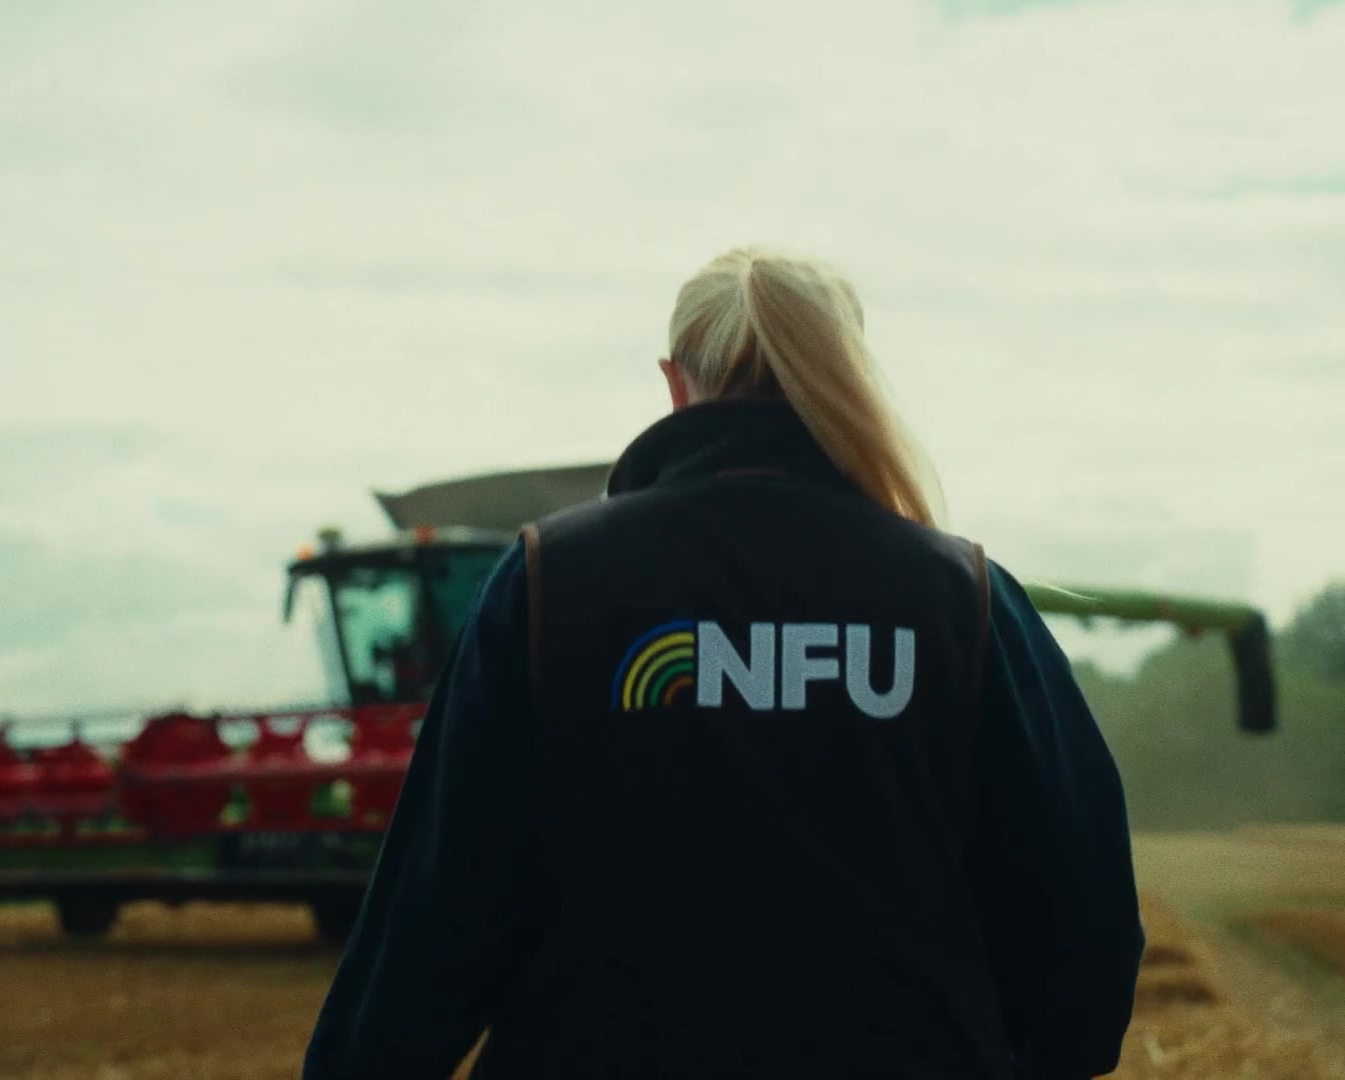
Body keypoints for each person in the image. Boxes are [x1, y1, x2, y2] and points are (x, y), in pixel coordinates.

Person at [302, 247, 1144, 1079]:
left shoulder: (546, 585)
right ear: (848, 376)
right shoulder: (967, 596)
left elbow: (437, 909)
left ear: (675, 386)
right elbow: (1080, 919)